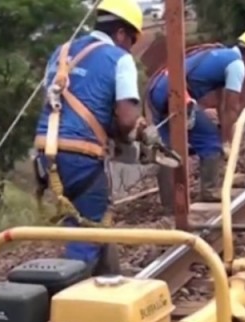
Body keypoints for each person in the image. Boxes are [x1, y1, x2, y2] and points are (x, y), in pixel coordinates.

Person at [33, 0, 159, 275]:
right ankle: (70, 290)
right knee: (87, 233)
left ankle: (110, 280)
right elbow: (126, 119)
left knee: (91, 219)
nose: (131, 48)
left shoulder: (60, 52)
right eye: (132, 40)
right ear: (121, 33)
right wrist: (134, 134)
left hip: (45, 152)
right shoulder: (119, 58)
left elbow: (56, 102)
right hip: (80, 155)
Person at [146, 29, 245, 204]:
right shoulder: (237, 65)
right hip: (174, 94)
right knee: (211, 140)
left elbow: (221, 103)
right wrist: (225, 142)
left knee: (167, 149)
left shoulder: (221, 54)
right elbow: (231, 107)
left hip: (158, 91)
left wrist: (224, 132)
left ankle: (171, 204)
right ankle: (209, 190)